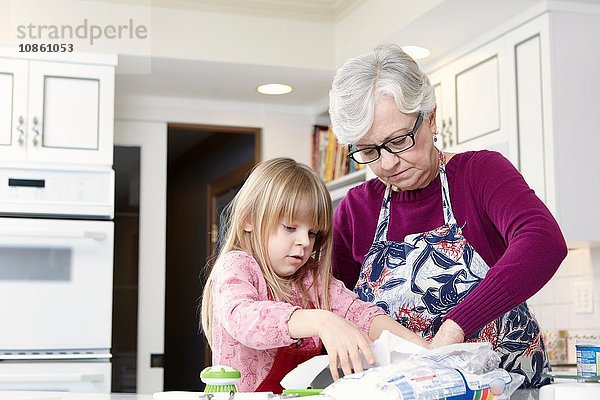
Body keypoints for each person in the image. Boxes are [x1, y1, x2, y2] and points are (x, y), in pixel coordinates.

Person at [328, 43, 567, 388]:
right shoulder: (356, 210)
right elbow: (335, 300)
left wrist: (455, 327)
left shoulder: (479, 174)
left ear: (431, 117)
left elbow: (543, 241)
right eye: (368, 150)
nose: (386, 164)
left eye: (398, 141)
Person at [200, 158, 429, 393]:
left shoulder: (310, 278)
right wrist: (322, 321)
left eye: (312, 233)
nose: (304, 242)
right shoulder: (238, 265)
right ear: (248, 220)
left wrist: (427, 353)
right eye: (290, 227)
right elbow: (243, 319)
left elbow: (361, 314)